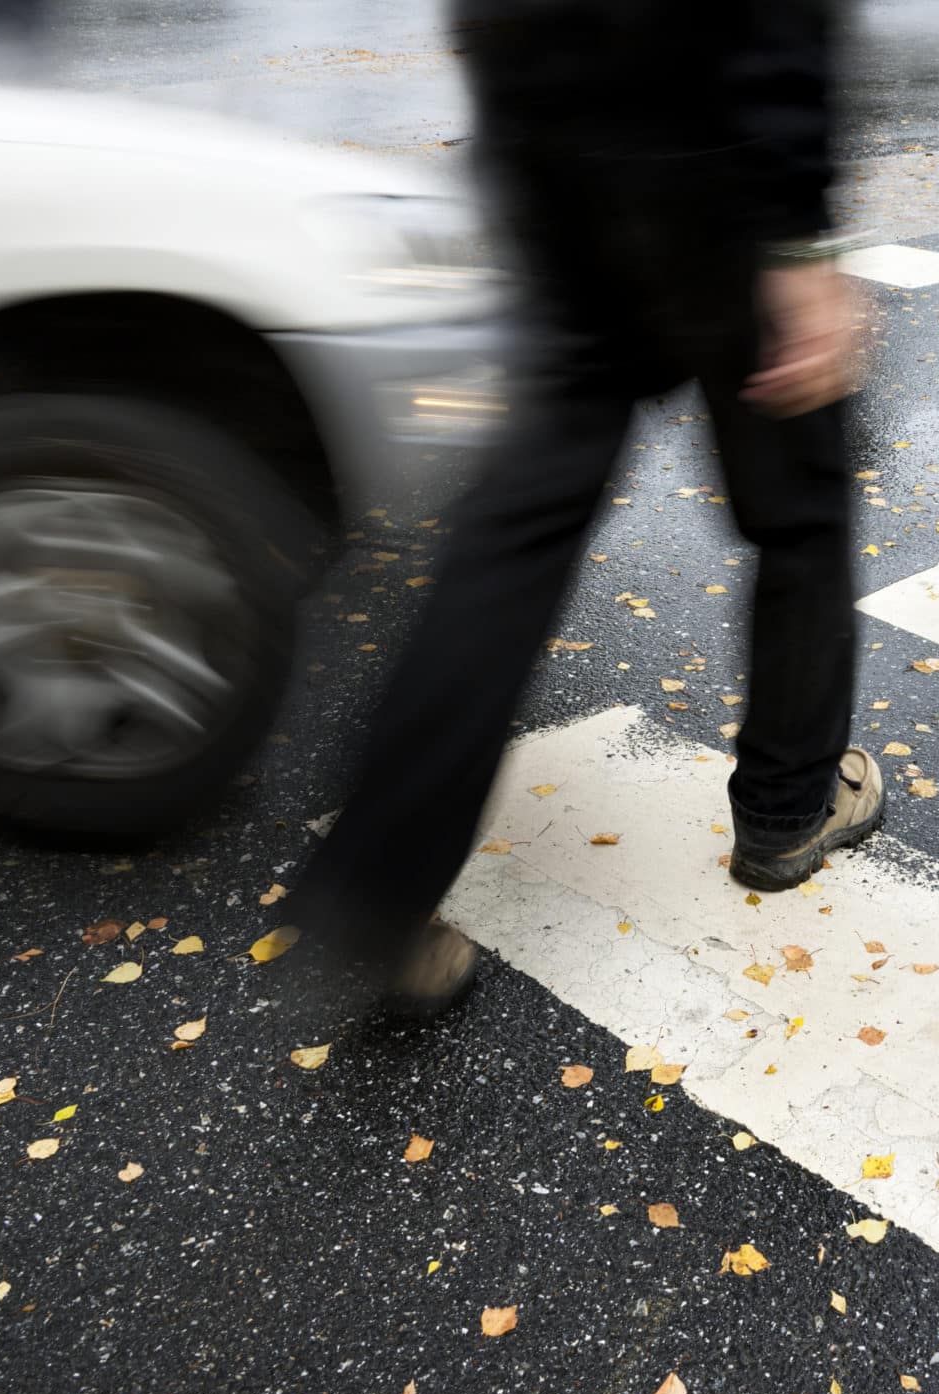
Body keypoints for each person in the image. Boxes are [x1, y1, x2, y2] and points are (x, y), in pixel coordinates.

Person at [291, 0, 878, 1012]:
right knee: (800, 505)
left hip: (548, 144)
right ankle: (787, 809)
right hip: (707, 149)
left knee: (515, 532)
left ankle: (378, 885)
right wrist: (794, 239)